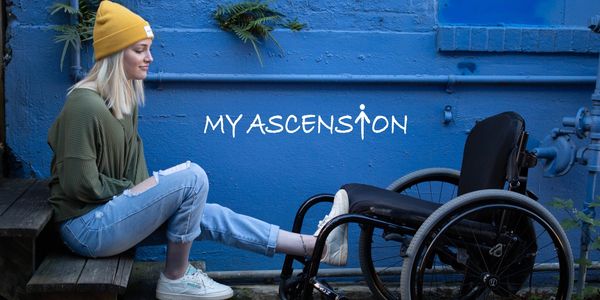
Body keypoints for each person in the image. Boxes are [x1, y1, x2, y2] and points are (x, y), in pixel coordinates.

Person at [46, 1, 349, 300]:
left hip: (112, 217)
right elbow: (79, 184)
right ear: (114, 53)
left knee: (206, 213)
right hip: (86, 229)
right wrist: (134, 191)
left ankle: (315, 246)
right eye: (139, 50)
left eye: (149, 49)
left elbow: (134, 178)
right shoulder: (84, 105)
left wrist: (141, 193)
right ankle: (176, 278)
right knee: (193, 176)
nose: (149, 58)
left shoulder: (124, 104)